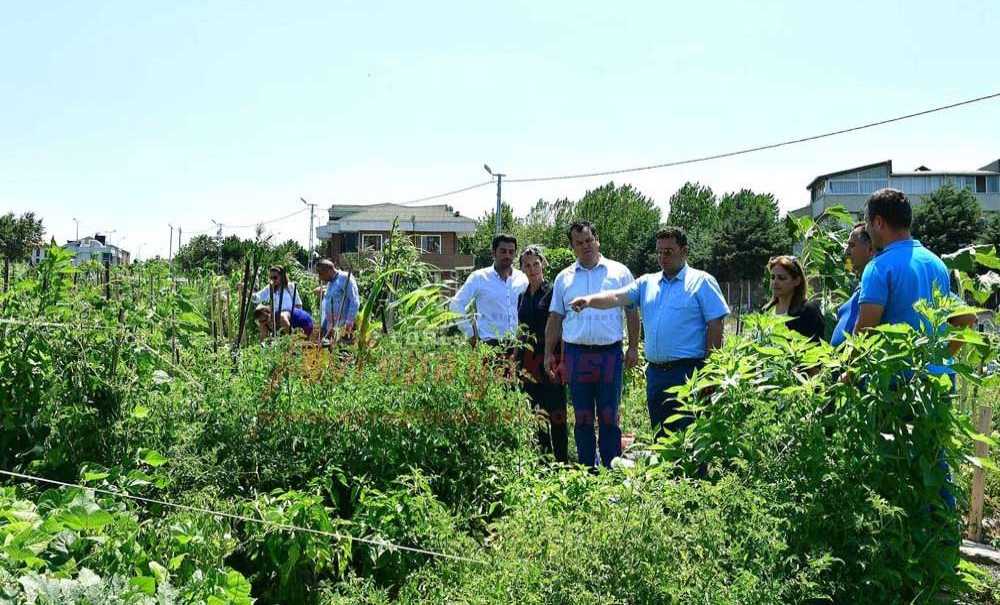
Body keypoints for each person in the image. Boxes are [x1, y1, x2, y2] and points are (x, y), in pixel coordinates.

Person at [851, 188, 976, 510]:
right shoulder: (935, 263)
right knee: (933, 458)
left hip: (895, 384)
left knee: (891, 461)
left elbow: (865, 330)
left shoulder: (879, 267)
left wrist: (847, 372)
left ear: (878, 222)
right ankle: (943, 526)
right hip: (936, 381)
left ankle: (900, 528)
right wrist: (941, 358)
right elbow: (966, 320)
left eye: (868, 223)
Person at [569, 227, 729, 440]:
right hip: (656, 375)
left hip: (688, 373)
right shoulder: (647, 283)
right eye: (659, 252)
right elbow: (617, 297)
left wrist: (711, 371)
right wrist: (589, 301)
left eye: (668, 252)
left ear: (684, 251)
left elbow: (716, 325)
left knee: (690, 437)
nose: (662, 257)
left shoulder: (701, 282)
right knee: (661, 437)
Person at [544, 220, 640, 469]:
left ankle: (611, 467)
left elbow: (632, 311)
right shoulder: (564, 278)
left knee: (609, 414)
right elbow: (555, 318)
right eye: (579, 243)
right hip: (576, 355)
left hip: (609, 353)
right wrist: (548, 354)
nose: (585, 246)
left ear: (597, 241)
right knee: (583, 416)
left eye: (589, 240)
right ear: (572, 247)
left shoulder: (619, 272)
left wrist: (633, 347)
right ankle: (587, 469)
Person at [516, 245, 568, 462]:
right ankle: (543, 461)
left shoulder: (553, 292)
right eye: (527, 265)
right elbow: (520, 330)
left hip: (550, 359)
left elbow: (562, 327)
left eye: (535, 264)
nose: (532, 269)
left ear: (543, 264)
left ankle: (562, 461)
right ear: (522, 268)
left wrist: (562, 359)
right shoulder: (522, 296)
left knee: (556, 412)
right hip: (528, 362)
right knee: (536, 412)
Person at [450, 234, 528, 347]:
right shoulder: (479, 278)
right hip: (489, 345)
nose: (507, 255)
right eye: (503, 251)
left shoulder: (522, 278)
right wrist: (470, 333)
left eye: (511, 252)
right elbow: (456, 304)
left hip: (517, 345)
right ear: (493, 253)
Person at [830, 223, 876, 346]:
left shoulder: (874, 290)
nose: (846, 251)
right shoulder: (861, 287)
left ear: (870, 249)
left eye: (852, 245)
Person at [763, 256, 825, 342]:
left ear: (797, 281)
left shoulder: (808, 311)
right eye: (773, 277)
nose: (775, 282)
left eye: (781, 278)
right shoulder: (766, 311)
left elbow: (815, 344)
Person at [315, 258, 360, 342]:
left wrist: (349, 322)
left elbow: (354, 301)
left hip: (343, 325)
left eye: (321, 273)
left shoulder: (345, 278)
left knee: (342, 348)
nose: (320, 277)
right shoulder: (330, 282)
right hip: (331, 326)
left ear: (329, 271)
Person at [253, 266, 304, 337]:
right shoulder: (270, 288)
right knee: (262, 321)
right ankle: (264, 343)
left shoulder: (290, 287)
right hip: (275, 315)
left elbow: (298, 304)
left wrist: (299, 318)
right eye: (271, 278)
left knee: (282, 317)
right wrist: (247, 293)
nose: (273, 280)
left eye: (275, 277)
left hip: (290, 314)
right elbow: (257, 298)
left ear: (281, 276)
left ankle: (292, 338)